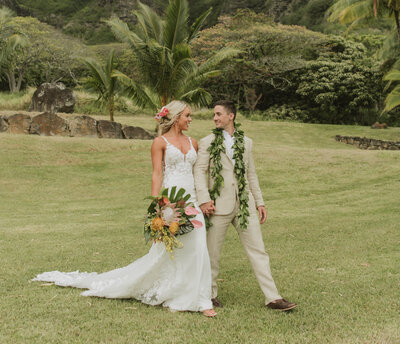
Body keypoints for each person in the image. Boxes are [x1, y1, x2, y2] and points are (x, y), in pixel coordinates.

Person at [32, 100, 216, 317]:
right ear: (176, 117)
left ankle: (202, 299)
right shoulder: (160, 142)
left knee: (198, 247)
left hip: (191, 200)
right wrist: (157, 204)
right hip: (170, 200)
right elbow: (157, 174)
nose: (190, 119)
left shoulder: (194, 143)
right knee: (169, 250)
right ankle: (174, 291)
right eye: (187, 115)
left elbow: (198, 173)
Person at [193, 100, 297, 311]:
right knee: (212, 254)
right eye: (214, 114)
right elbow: (199, 171)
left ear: (231, 116)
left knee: (258, 250)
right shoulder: (207, 142)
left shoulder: (246, 142)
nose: (215, 118)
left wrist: (259, 201)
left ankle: (273, 298)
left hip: (244, 205)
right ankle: (210, 295)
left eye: (218, 114)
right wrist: (204, 199)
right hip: (217, 207)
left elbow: (251, 174)